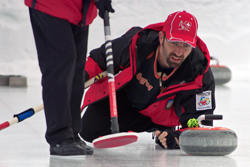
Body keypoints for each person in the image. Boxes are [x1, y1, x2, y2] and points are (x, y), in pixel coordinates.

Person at [80, 11, 216, 149]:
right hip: (125, 99)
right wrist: (81, 76)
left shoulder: (200, 73)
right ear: (162, 37)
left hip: (159, 117)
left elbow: (200, 120)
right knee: (87, 130)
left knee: (167, 138)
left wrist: (176, 138)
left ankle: (160, 132)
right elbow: (99, 59)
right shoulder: (137, 43)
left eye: (186, 46)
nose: (179, 52)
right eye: (174, 42)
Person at [25, 0, 114, 156]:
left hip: (80, 11)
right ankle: (59, 137)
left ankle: (71, 133)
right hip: (52, 5)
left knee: (76, 70)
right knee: (60, 65)